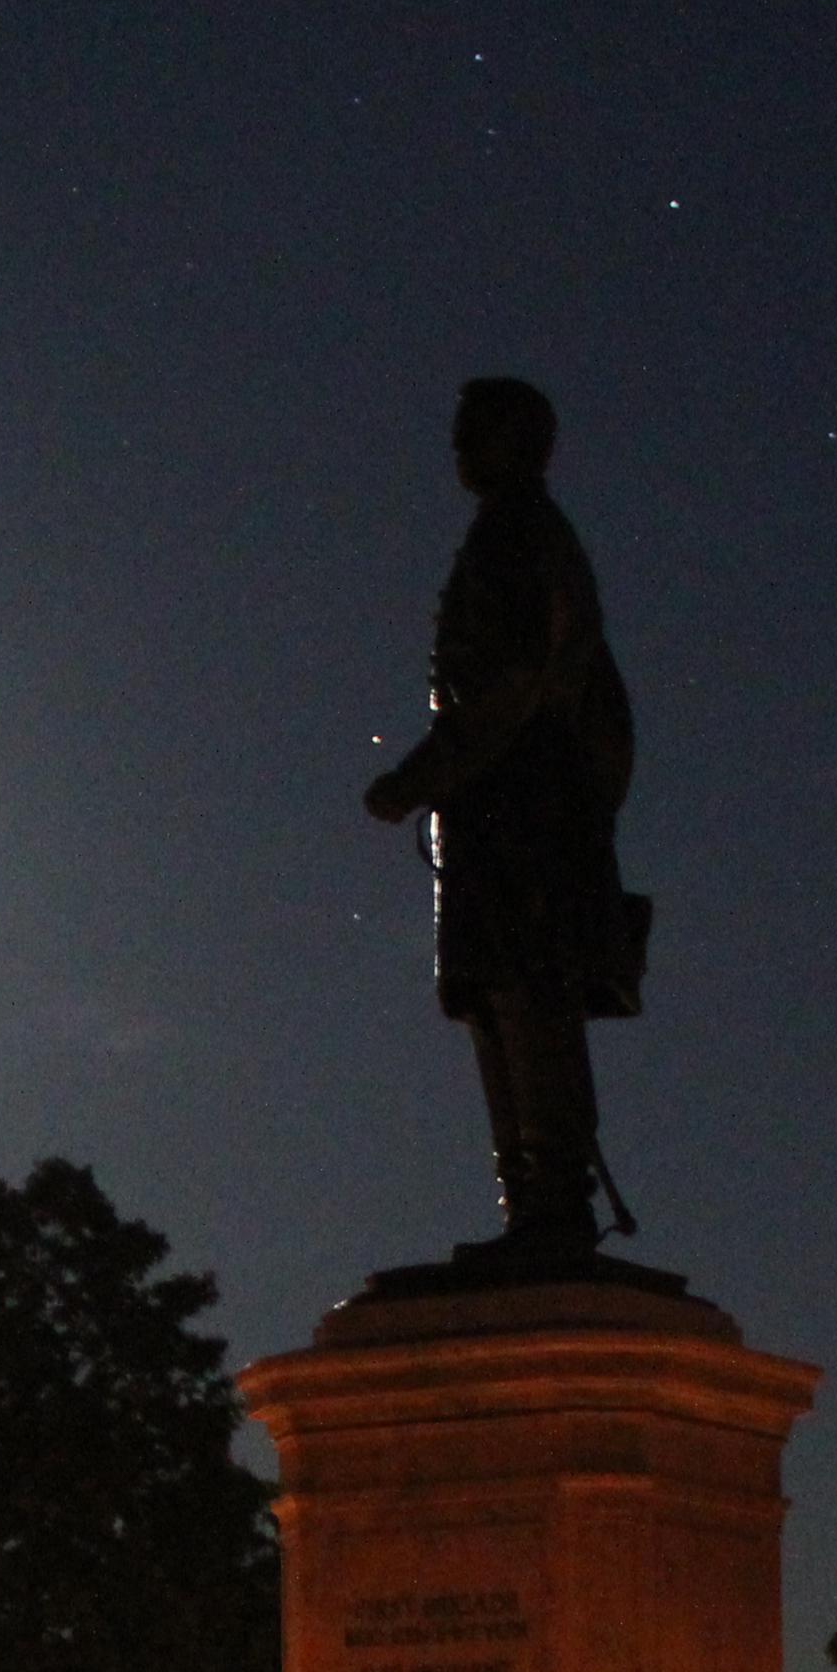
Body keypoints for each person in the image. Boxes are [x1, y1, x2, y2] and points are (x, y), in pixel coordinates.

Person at [361, 373, 646, 1252]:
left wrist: (415, 778)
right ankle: (531, 1203)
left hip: (524, 810)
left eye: (471, 433)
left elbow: (508, 687)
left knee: (527, 994)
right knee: (496, 998)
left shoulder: (521, 537)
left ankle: (552, 1202)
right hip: (496, 810)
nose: (456, 450)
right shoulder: (507, 535)